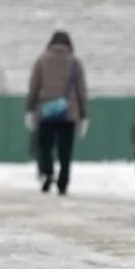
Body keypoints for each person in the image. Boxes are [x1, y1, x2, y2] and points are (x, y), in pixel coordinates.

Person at [25, 29, 90, 196]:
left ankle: (47, 173)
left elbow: (34, 86)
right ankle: (63, 182)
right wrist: (83, 116)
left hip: (46, 111)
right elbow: (81, 92)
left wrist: (30, 108)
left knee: (45, 146)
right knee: (65, 150)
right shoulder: (75, 63)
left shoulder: (42, 61)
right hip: (68, 113)